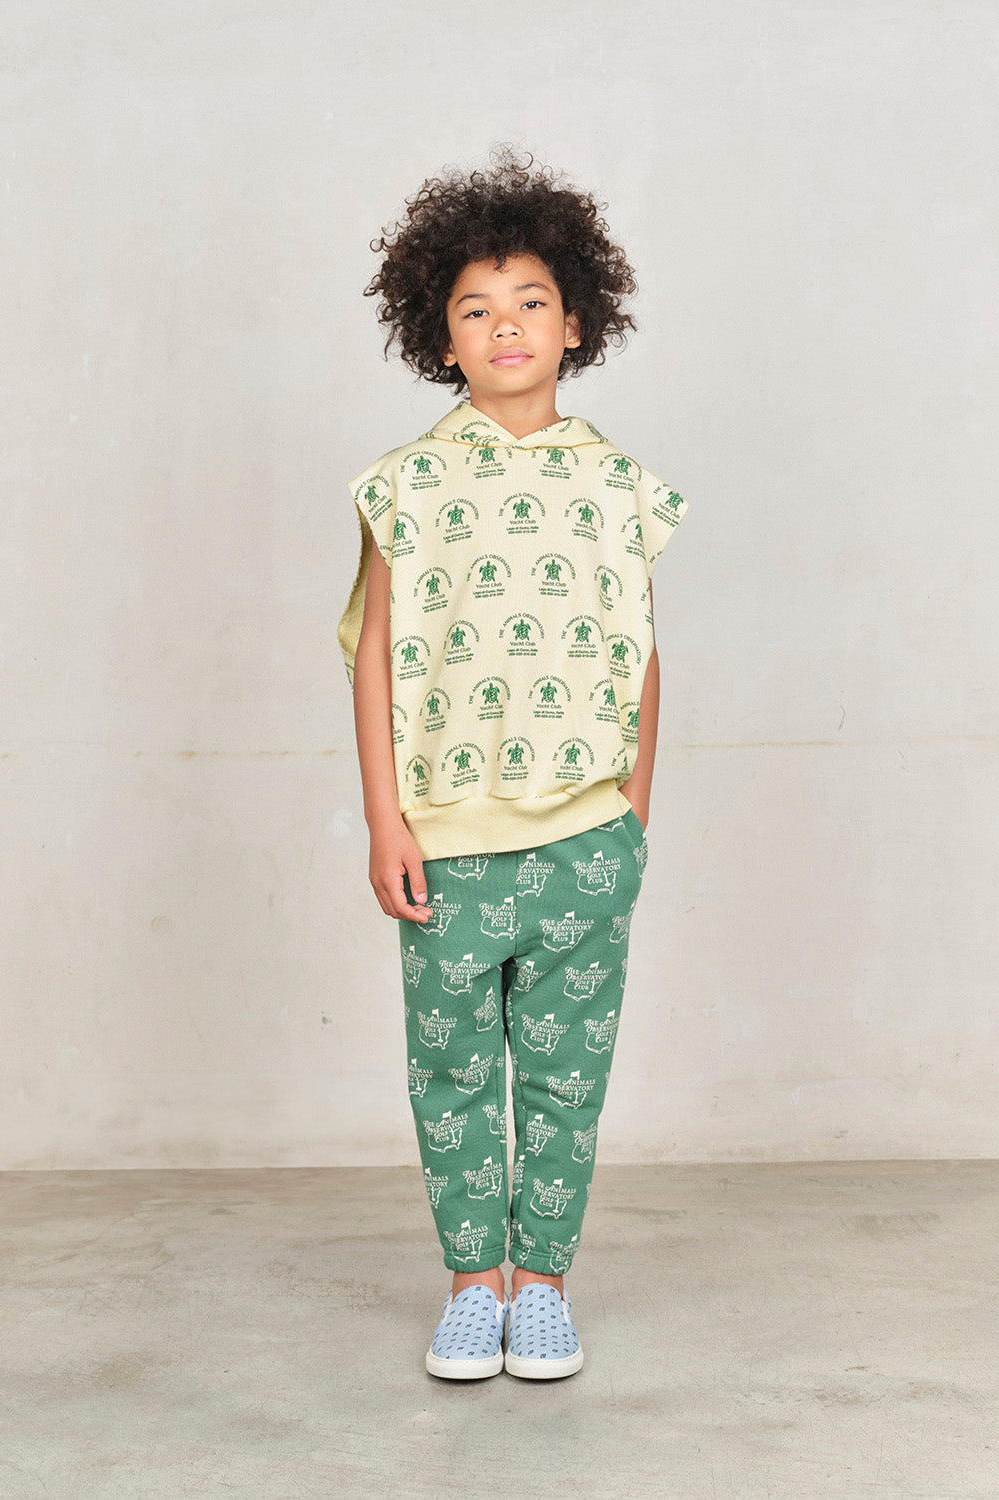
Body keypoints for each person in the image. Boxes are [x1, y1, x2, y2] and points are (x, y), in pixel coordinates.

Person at [337, 145, 690, 1381]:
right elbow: (372, 659)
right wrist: (385, 821)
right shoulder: (405, 487)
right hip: (445, 843)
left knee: (563, 1079)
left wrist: (632, 815)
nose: (504, 326)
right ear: (440, 339)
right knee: (449, 1076)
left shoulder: (618, 488)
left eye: (530, 301)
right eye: (475, 308)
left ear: (575, 322)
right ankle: (468, 1285)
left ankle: (541, 1287)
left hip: (584, 841)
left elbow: (642, 652)